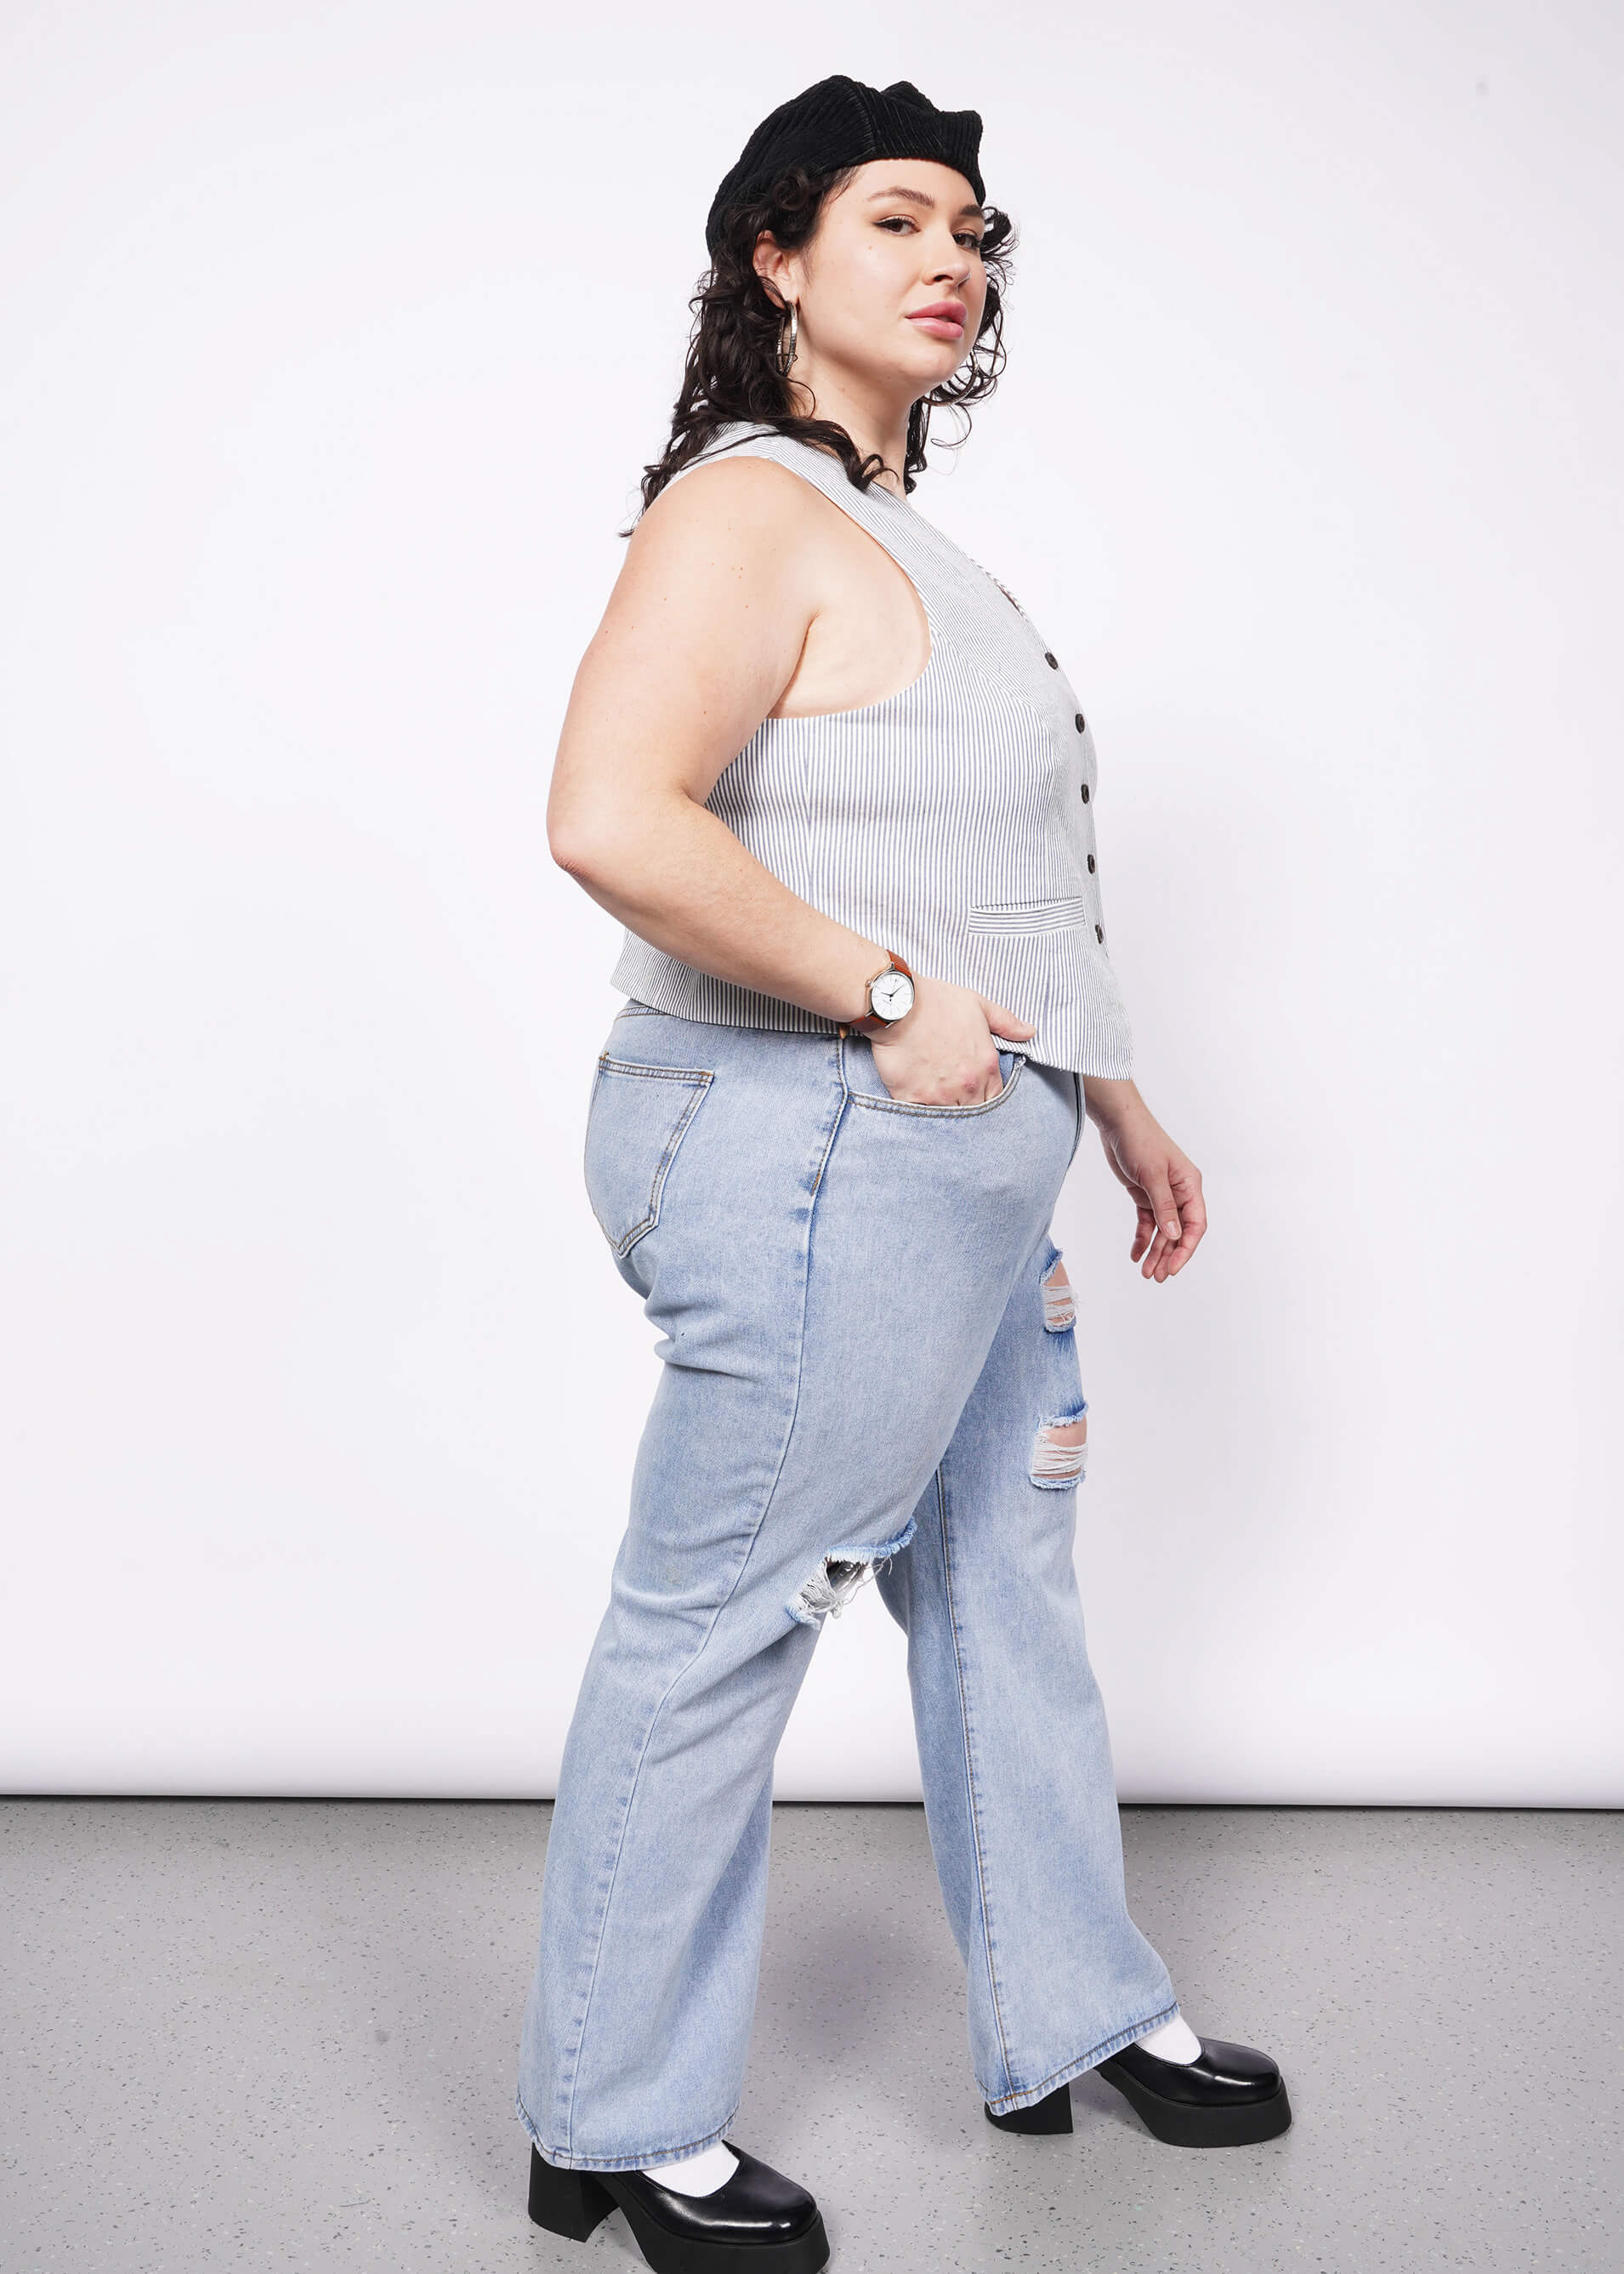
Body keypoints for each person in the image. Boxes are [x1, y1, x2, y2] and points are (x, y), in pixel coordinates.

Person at [515, 74, 1291, 2274]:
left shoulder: (912, 545)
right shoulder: (740, 515)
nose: (953, 257)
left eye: (973, 228)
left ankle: (1066, 2013)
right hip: (804, 1144)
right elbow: (610, 814)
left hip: (961, 1153)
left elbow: (1000, 872)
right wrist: (874, 992)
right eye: (892, 219)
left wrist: (1112, 1092)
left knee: (1006, 1594)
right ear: (775, 257)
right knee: (723, 1615)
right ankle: (613, 2112)